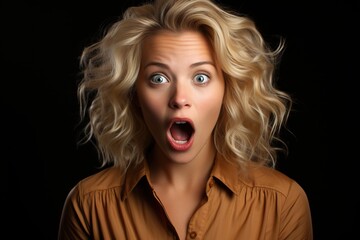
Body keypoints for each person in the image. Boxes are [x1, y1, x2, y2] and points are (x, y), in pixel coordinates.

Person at [58, 0, 313, 239]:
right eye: (158, 78)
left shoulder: (282, 203)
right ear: (135, 94)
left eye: (200, 77)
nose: (179, 98)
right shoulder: (89, 205)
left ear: (228, 91)